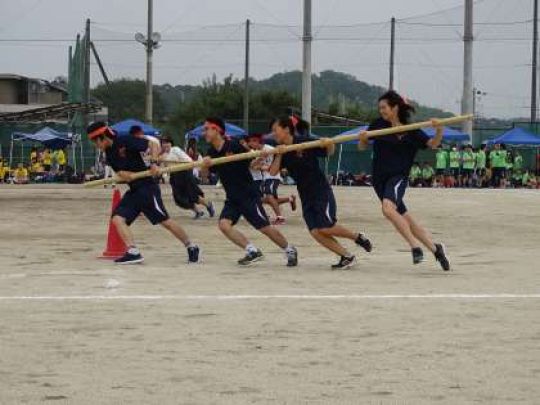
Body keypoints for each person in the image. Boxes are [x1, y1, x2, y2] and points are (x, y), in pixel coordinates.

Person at [359, 90, 450, 271]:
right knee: (406, 218)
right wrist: (363, 139)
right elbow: (362, 147)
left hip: (398, 177)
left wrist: (439, 130)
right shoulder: (378, 125)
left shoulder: (412, 131)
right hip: (379, 180)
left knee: (387, 209)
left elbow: (432, 144)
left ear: (395, 108)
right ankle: (436, 249)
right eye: (380, 108)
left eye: (384, 107)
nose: (381, 111)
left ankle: (415, 247)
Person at [86, 121, 200, 265]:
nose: (96, 145)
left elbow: (152, 145)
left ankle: (191, 246)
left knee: (165, 221)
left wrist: (153, 163)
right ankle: (133, 252)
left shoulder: (125, 140)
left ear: (102, 137)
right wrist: (125, 174)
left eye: (95, 142)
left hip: (147, 187)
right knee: (117, 218)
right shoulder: (109, 154)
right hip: (134, 190)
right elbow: (120, 172)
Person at [268, 117, 372, 270]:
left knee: (325, 226)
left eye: (275, 129)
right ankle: (346, 256)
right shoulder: (281, 149)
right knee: (315, 231)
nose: (273, 133)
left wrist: (328, 143)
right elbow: (273, 171)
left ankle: (357, 237)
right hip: (305, 194)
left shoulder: (305, 141)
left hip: (320, 189)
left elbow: (329, 152)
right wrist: (280, 153)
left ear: (286, 129)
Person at [201, 117, 298, 267]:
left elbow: (251, 162)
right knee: (224, 225)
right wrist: (205, 166)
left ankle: (289, 249)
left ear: (217, 130)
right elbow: (205, 177)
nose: (204, 132)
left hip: (248, 195)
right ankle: (252, 251)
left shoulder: (233, 144)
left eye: (207, 129)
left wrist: (260, 158)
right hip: (232, 197)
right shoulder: (211, 152)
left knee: (264, 227)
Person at [245, 133, 296, 225]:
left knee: (269, 196)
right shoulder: (257, 152)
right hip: (266, 177)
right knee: (268, 199)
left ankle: (280, 218)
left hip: (273, 176)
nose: (250, 144)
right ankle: (289, 199)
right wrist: (261, 160)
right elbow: (254, 166)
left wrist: (282, 168)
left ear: (257, 141)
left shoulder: (269, 149)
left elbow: (281, 154)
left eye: (252, 142)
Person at [160, 136, 215, 219]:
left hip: (184, 173)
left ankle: (208, 204)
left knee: (192, 195)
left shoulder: (175, 149)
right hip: (175, 177)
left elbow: (188, 160)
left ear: (171, 143)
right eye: (163, 143)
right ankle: (198, 212)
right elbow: (164, 168)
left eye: (167, 142)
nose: (165, 145)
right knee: (179, 198)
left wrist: (184, 166)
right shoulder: (163, 155)